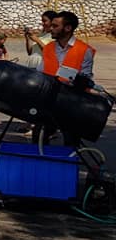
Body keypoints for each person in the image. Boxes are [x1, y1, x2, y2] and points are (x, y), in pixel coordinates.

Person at [34, 10, 96, 147]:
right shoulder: (48, 48)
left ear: (68, 28)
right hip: (48, 100)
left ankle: (68, 165)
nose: (51, 29)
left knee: (71, 142)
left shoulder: (84, 50)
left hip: (71, 103)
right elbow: (40, 72)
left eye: (55, 26)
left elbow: (85, 78)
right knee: (38, 137)